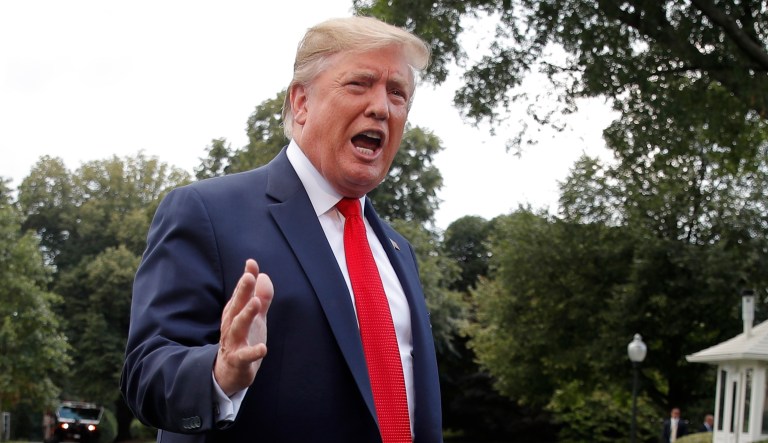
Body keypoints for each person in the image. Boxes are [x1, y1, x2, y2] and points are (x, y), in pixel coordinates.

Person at [120, 16, 442, 443]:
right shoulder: (206, 212)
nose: (381, 107)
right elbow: (145, 374)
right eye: (359, 84)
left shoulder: (399, 250)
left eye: (397, 93)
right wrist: (219, 373)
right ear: (302, 102)